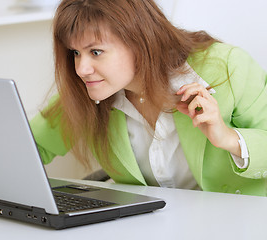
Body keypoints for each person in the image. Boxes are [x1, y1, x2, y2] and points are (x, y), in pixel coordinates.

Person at [30, 0, 267, 196]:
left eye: (96, 52)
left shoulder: (226, 67)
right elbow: (30, 146)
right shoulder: (90, 89)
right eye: (75, 53)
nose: (82, 69)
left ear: (140, 42)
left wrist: (227, 137)